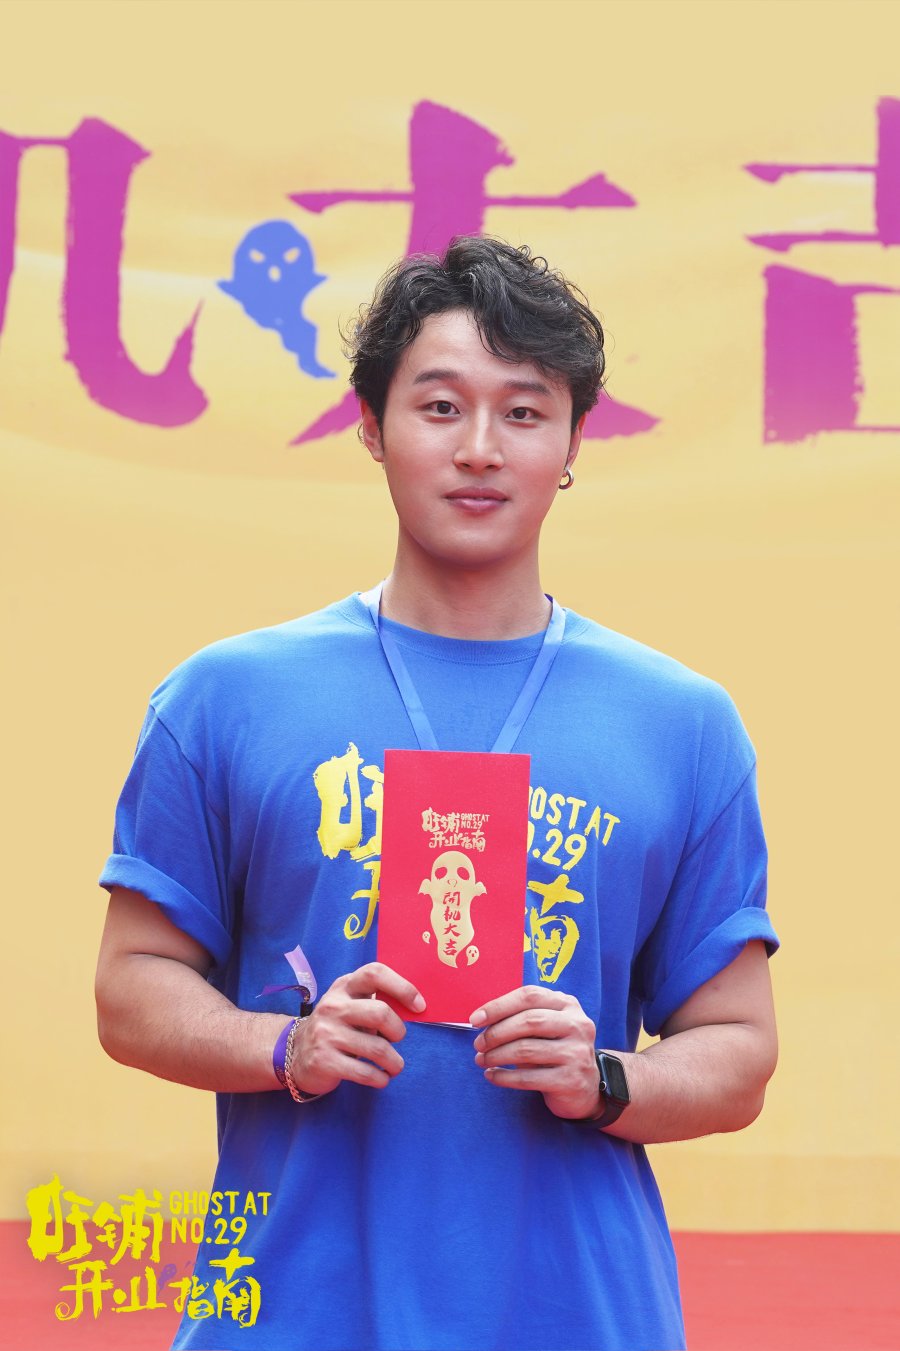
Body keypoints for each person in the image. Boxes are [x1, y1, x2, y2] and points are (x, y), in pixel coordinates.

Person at [95, 236, 778, 1351]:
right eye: (441, 406)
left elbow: (739, 1048)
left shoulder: (683, 725)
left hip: (576, 1316)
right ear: (372, 425)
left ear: (572, 442)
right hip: (290, 1314)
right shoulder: (225, 699)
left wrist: (604, 1075)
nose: (479, 449)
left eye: (524, 411)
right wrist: (285, 1046)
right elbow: (130, 988)